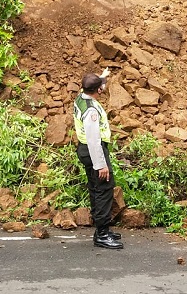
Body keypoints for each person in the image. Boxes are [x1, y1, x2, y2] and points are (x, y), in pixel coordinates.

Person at [74, 68, 124, 250]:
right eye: (101, 86)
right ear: (99, 91)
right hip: (94, 150)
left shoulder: (81, 97)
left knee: (95, 187)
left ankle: (101, 229)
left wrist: (102, 77)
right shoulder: (91, 112)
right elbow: (94, 139)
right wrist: (101, 164)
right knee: (103, 188)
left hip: (85, 149)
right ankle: (102, 234)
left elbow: (91, 85)